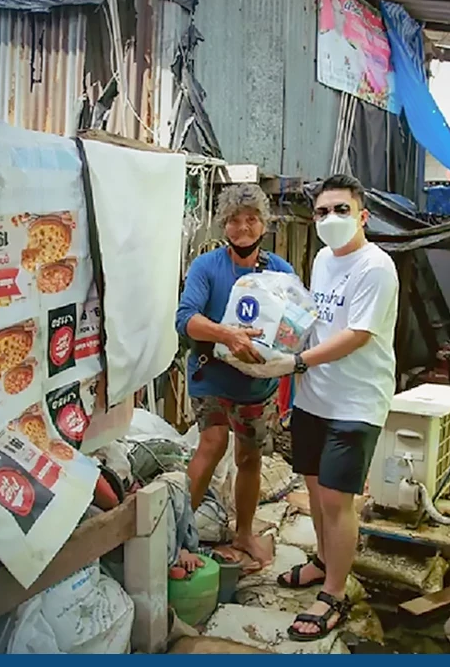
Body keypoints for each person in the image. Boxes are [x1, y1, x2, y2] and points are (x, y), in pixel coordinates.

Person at [262, 173, 399, 642]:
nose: (330, 219)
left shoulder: (376, 267)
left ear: (363, 216)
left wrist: (294, 361)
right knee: (317, 491)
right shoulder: (322, 259)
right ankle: (324, 560)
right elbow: (316, 318)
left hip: (356, 402)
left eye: (341, 210)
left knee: (339, 501)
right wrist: (274, 343)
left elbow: (356, 335)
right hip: (315, 396)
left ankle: (335, 593)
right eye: (322, 212)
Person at [175, 183, 297, 569]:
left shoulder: (280, 271)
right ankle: (178, 539)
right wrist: (226, 334)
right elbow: (185, 320)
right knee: (211, 443)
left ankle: (243, 533)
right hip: (211, 373)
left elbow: (295, 324)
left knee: (249, 457)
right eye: (234, 220)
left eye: (251, 220)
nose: (243, 228)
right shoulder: (207, 267)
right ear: (223, 225)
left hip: (256, 383)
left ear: (263, 225)